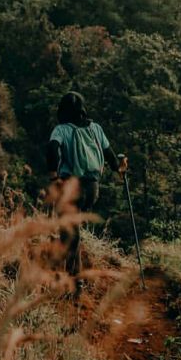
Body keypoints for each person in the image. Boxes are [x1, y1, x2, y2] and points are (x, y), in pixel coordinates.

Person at [47, 92, 126, 288]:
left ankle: (74, 281)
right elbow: (109, 154)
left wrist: (54, 177)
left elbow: (52, 149)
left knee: (69, 232)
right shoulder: (96, 128)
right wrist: (119, 168)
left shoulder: (61, 130)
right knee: (74, 230)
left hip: (72, 187)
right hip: (92, 188)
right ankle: (75, 274)